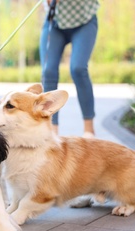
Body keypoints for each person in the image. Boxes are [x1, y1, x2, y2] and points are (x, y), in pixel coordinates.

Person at [39, 0, 99, 138]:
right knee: (48, 71)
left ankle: (89, 130)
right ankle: (52, 131)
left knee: (78, 68)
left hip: (85, 21)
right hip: (55, 21)